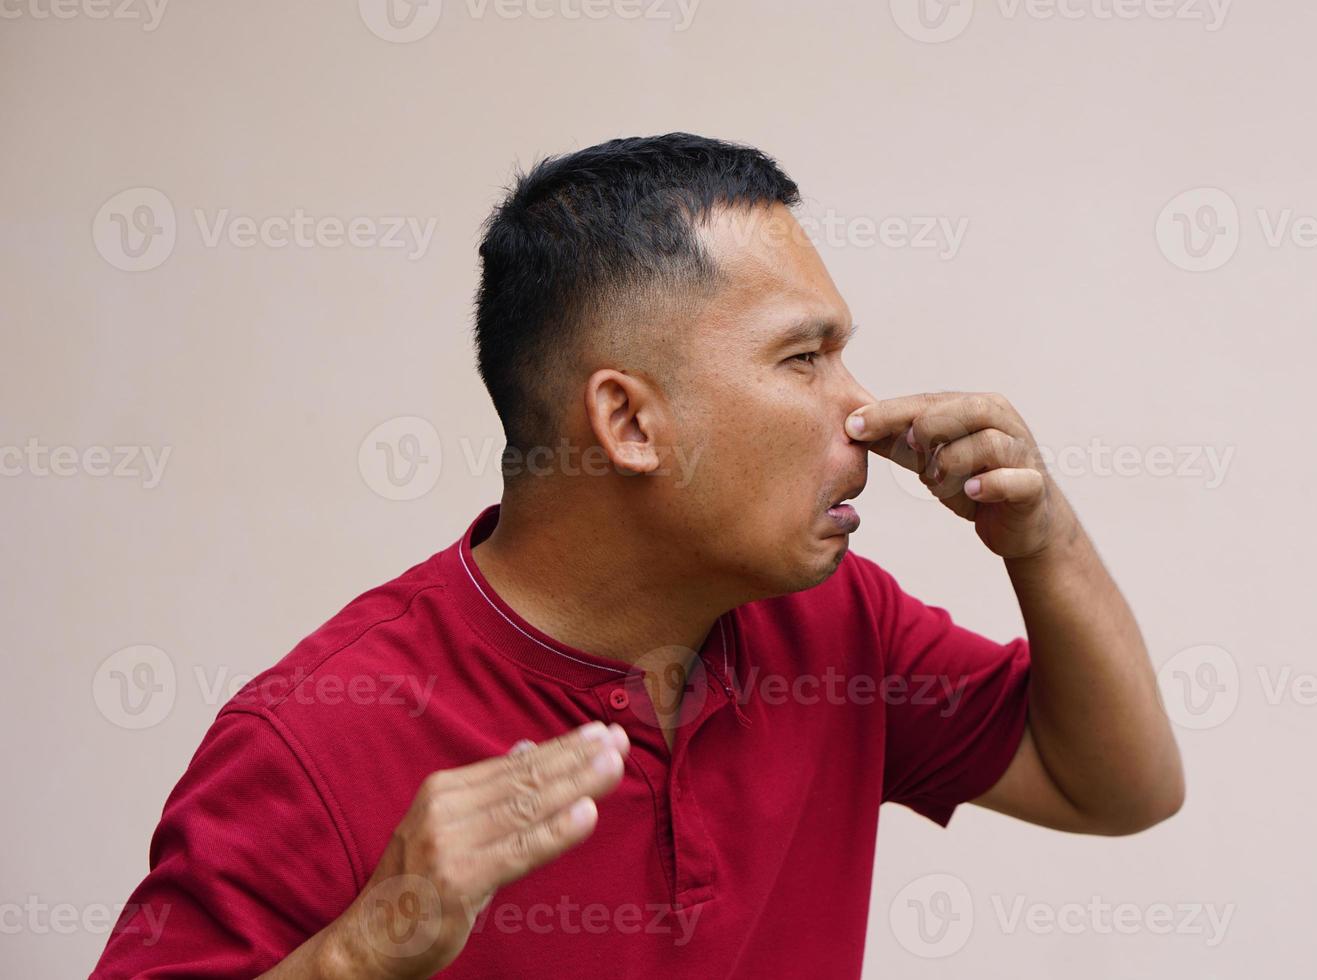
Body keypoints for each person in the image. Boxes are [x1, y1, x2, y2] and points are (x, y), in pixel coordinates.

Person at [91, 133, 1184, 979]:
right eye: (804, 359)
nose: (863, 410)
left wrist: (1040, 539)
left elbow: (1119, 787)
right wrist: (360, 951)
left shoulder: (836, 625)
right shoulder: (312, 741)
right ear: (627, 421)